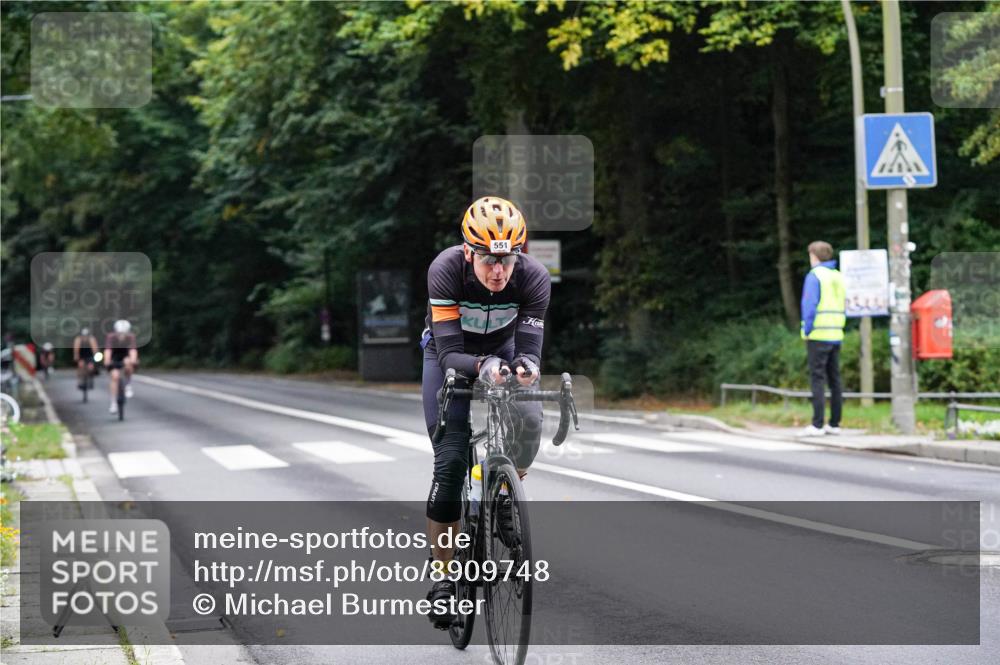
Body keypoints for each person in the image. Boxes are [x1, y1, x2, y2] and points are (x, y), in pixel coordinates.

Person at [420, 196, 550, 629]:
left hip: (502, 348)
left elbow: (529, 350)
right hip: (448, 354)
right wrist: (483, 367)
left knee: (530, 419)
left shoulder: (533, 277)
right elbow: (448, 353)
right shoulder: (445, 269)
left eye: (507, 260)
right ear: (468, 252)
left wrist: (527, 368)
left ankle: (503, 491)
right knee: (450, 462)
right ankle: (443, 577)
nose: (498, 271)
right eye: (489, 260)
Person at [800, 241, 846, 436]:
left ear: (814, 256)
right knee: (835, 380)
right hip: (836, 334)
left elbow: (809, 305)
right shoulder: (838, 276)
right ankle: (834, 424)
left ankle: (817, 424)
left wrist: (807, 330)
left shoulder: (815, 276)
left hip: (818, 334)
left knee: (817, 379)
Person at [105, 320, 139, 414]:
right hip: (114, 358)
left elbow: (133, 350)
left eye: (124, 333)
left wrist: (133, 360)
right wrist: (107, 360)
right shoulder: (111, 337)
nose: (122, 335)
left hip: (125, 356)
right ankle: (113, 403)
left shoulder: (130, 337)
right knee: (114, 377)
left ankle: (128, 385)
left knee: (128, 362)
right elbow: (108, 350)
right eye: (120, 333)